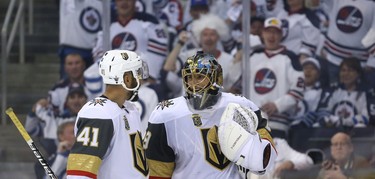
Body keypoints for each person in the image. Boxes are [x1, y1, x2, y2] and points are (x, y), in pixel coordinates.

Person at [145, 51, 277, 179]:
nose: (193, 83)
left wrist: (255, 150)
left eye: (200, 77)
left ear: (216, 78)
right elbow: (159, 171)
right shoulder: (166, 114)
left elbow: (266, 150)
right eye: (189, 77)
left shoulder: (240, 105)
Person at [66, 50, 149, 178]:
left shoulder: (130, 109)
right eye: (137, 75)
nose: (141, 80)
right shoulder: (98, 113)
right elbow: (81, 172)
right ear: (127, 79)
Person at [245, 17, 305, 138]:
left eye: (275, 32)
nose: (271, 36)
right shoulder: (252, 56)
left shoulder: (290, 58)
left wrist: (278, 105)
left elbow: (298, 90)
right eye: (268, 31)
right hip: (251, 121)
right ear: (262, 33)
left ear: (281, 35)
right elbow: (239, 85)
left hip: (278, 123)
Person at [59, 0, 102, 78]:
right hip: (72, 48)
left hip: (95, 52)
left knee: (94, 87)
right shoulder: (68, 2)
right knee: (71, 87)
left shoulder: (102, 4)